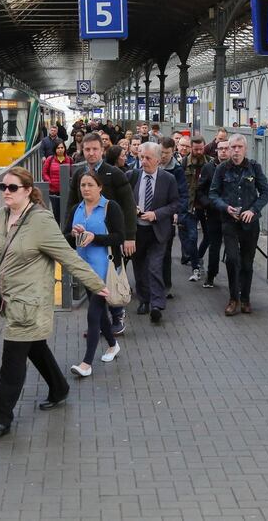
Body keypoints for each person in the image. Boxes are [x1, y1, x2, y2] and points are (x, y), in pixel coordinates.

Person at [0, 167, 107, 437]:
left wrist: (96, 284)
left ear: (28, 191)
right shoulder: (0, 216)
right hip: (10, 300)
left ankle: (0, 417)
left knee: (12, 361)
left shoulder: (41, 221)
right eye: (4, 187)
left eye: (12, 188)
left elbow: (67, 256)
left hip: (30, 304)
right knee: (35, 347)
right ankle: (59, 387)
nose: (6, 192)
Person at [67, 133, 137, 336]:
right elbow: (71, 205)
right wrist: (68, 231)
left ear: (102, 150)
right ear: (82, 150)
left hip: (111, 236)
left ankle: (117, 316)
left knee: (110, 277)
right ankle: (98, 322)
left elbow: (129, 205)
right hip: (85, 239)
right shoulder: (79, 174)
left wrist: (129, 236)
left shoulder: (114, 174)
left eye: (95, 149)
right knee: (92, 281)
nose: (91, 153)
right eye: (87, 149)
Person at [64, 172, 124, 377]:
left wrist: (94, 237)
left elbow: (119, 237)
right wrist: (73, 234)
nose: (86, 188)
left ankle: (86, 363)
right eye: (83, 185)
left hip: (104, 269)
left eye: (90, 184)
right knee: (99, 313)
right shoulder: (76, 209)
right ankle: (113, 345)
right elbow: (65, 236)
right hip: (84, 269)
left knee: (93, 314)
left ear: (100, 187)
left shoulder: (110, 207)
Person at [209, 133, 268, 316]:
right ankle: (233, 298)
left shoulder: (254, 168)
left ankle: (245, 299)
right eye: (232, 147)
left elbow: (266, 192)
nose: (235, 151)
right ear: (228, 149)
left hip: (250, 224)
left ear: (245, 149)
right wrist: (225, 207)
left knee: (247, 263)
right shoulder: (222, 169)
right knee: (232, 260)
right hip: (229, 222)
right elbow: (213, 194)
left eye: (239, 147)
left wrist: (253, 210)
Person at [127, 143, 180, 323]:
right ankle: (144, 300)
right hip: (137, 230)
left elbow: (175, 203)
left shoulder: (168, 179)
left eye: (148, 158)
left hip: (158, 230)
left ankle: (157, 304)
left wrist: (156, 214)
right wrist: (132, 208)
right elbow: (123, 199)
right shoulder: (132, 176)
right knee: (139, 266)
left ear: (158, 160)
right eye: (141, 157)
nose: (144, 161)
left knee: (155, 266)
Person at [197, 139, 231, 288]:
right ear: (216, 151)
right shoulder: (208, 168)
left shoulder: (235, 168)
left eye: (226, 148)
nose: (223, 151)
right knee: (214, 246)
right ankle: (211, 275)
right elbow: (200, 190)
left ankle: (235, 279)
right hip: (214, 214)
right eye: (220, 149)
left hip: (231, 215)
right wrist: (208, 204)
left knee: (232, 248)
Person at [158, 137, 188, 298]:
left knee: (165, 253)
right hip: (149, 216)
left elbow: (183, 195)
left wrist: (177, 213)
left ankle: (165, 286)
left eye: (167, 153)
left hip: (167, 216)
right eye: (161, 152)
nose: (163, 156)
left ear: (173, 152)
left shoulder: (177, 170)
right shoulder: (149, 164)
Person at [179, 136, 211, 282]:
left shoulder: (210, 163)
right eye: (196, 149)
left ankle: (197, 257)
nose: (199, 152)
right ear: (191, 148)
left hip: (206, 206)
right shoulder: (184, 163)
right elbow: (179, 185)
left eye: (201, 149)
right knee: (192, 237)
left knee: (209, 236)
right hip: (190, 206)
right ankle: (195, 267)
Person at [42, 142, 73, 223]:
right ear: (55, 149)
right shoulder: (50, 159)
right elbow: (44, 172)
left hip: (66, 190)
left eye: (62, 148)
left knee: (66, 211)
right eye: (58, 148)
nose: (60, 150)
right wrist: (49, 181)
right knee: (56, 211)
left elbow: (72, 173)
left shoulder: (69, 159)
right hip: (53, 190)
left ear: (65, 149)